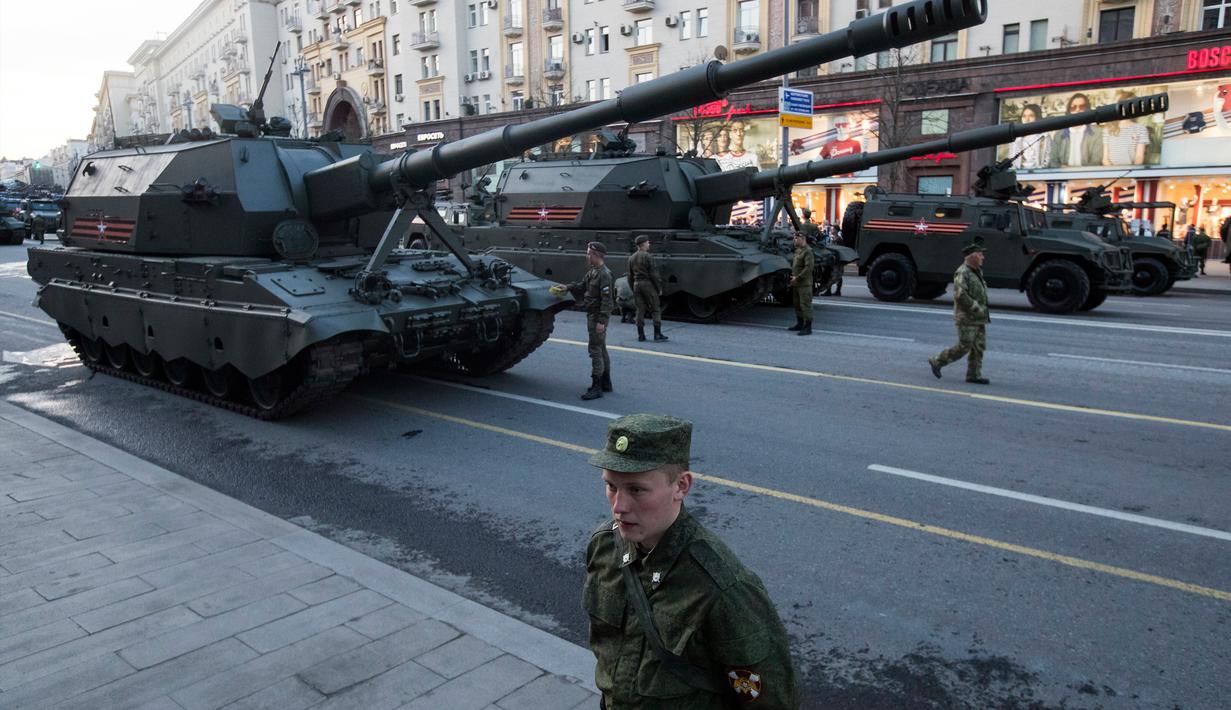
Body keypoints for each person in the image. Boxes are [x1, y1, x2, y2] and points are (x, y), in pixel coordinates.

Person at [582, 414, 799, 709]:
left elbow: (769, 701)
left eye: (636, 490)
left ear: (681, 486)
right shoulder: (604, 547)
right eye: (611, 486)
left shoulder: (722, 587)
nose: (619, 506)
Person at [551, 242, 614, 400]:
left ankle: (596, 387)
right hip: (592, 314)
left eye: (589, 254)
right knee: (601, 348)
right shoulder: (593, 271)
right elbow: (582, 285)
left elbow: (607, 301)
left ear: (596, 255)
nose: (587, 256)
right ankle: (606, 382)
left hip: (597, 316)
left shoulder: (604, 274)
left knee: (595, 350)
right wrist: (567, 287)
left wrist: (601, 321)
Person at [928, 239, 990, 385]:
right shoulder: (963, 273)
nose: (983, 257)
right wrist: (976, 308)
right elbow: (960, 295)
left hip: (979, 317)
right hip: (967, 317)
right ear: (973, 256)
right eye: (980, 254)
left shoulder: (976, 272)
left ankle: (974, 375)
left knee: (978, 347)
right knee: (964, 346)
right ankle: (937, 361)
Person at [628, 235, 668, 342]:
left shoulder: (631, 258)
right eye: (647, 242)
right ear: (643, 244)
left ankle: (641, 335)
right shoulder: (648, 256)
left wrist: (633, 287)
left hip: (636, 284)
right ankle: (657, 334)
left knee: (640, 310)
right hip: (647, 284)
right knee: (655, 308)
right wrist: (658, 288)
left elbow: (630, 276)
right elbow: (654, 275)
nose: (649, 244)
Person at [1050, 93, 1103, 167]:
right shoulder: (1059, 135)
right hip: (1063, 173)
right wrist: (1061, 168)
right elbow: (1053, 161)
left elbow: (1096, 162)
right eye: (1073, 107)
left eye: (1082, 107)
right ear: (1069, 110)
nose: (1077, 110)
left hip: (1087, 173)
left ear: (1087, 109)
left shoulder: (1097, 133)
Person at [1103, 92, 1149, 166]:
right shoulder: (1108, 129)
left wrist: (1130, 172)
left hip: (1131, 171)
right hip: (1112, 171)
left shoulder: (1141, 129)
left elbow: (1139, 157)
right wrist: (1113, 171)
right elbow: (1105, 159)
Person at [1008, 103, 1051, 169]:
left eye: (1031, 116)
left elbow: (1048, 159)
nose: (1027, 119)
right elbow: (1011, 159)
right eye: (1024, 116)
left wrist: (1039, 172)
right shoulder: (1016, 138)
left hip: (1039, 173)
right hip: (1020, 174)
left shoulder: (1044, 136)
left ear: (1037, 117)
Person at [788, 232, 814, 335]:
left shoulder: (808, 251)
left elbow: (808, 268)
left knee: (805, 305)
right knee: (797, 304)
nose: (794, 240)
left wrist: (798, 278)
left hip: (804, 283)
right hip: (796, 283)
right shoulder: (798, 250)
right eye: (794, 238)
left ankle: (808, 327)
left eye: (796, 238)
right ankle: (800, 323)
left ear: (802, 239)